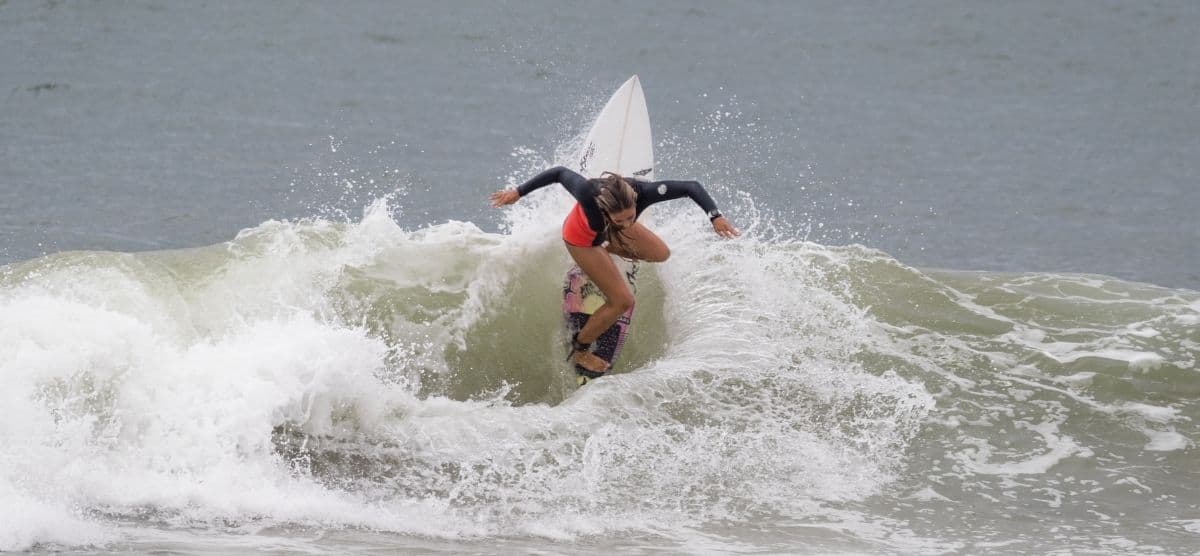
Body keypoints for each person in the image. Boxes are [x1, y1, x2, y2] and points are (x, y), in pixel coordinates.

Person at [490, 166, 739, 375]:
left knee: (661, 253)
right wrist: (518, 192)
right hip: (580, 239)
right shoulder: (588, 192)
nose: (627, 223)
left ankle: (604, 254)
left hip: (606, 236)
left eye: (631, 217)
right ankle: (580, 349)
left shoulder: (642, 194)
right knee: (622, 301)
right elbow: (559, 173)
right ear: (604, 209)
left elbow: (691, 187)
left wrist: (714, 216)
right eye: (619, 219)